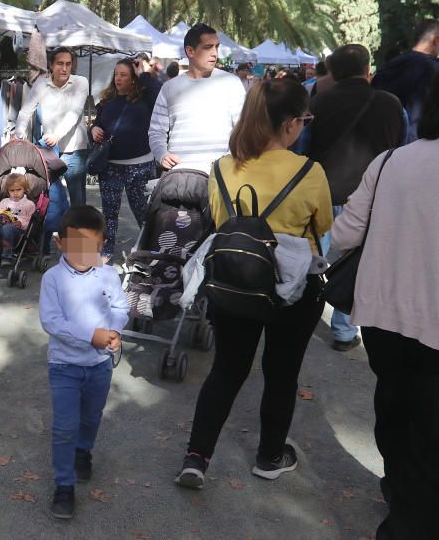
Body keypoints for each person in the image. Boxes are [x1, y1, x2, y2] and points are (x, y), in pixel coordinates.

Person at [176, 79, 333, 490]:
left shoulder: (222, 168)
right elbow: (323, 226)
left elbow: (219, 219)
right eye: (303, 119)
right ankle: (269, 455)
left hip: (236, 277)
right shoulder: (309, 171)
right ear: (288, 125)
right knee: (281, 373)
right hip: (293, 287)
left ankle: (197, 456)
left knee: (227, 369)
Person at [330, 73, 439, 540]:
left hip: (383, 312)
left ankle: (398, 488)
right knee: (428, 430)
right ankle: (408, 520)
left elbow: (345, 235)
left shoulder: (391, 160)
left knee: (394, 403)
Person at [307, 44, 403, 352]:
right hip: (371, 197)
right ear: (368, 70)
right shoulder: (392, 104)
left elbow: (301, 150)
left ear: (332, 72)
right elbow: (404, 149)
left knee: (314, 258)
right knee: (356, 264)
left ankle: (303, 313)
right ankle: (344, 331)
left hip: (322, 192)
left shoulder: (319, 103)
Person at [40, 205, 128, 519]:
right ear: (60, 242)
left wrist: (115, 329)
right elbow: (51, 321)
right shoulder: (53, 279)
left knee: (90, 419)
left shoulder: (107, 273)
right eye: (75, 245)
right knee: (65, 427)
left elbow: (119, 306)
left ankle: (83, 451)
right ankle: (64, 486)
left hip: (99, 365)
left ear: (102, 243)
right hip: (64, 367)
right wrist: (91, 335)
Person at [148, 23, 246, 172]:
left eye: (216, 47)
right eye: (208, 47)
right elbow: (156, 131)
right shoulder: (169, 88)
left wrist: (229, 161)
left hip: (222, 177)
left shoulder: (232, 83)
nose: (214, 53)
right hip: (180, 177)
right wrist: (162, 154)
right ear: (190, 51)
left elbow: (243, 128)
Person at [90, 58, 162, 260]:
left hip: (139, 166)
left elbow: (159, 92)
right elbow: (98, 125)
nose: (118, 78)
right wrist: (93, 129)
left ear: (133, 79)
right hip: (110, 166)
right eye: (116, 74)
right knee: (109, 214)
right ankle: (105, 252)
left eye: (124, 75)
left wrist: (145, 75)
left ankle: (150, 251)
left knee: (143, 213)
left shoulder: (146, 98)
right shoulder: (106, 101)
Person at [14, 47, 90, 207]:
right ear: (51, 65)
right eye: (60, 64)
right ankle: (51, 231)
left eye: (68, 64)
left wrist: (56, 134)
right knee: (49, 200)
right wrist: (18, 133)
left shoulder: (81, 82)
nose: (64, 68)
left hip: (75, 150)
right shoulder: (41, 83)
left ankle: (78, 232)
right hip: (50, 152)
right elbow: (26, 110)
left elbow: (74, 113)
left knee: (78, 202)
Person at [371, 18, 439, 140]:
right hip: (418, 144)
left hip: (382, 143)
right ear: (436, 40)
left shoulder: (390, 65)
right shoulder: (433, 69)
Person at [0, 172, 36, 265]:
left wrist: (21, 224)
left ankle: (6, 256)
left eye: (19, 190)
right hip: (1, 225)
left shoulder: (29, 204)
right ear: (8, 191)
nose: (15, 193)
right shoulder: (4, 202)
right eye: (12, 190)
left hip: (17, 230)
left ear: (24, 189)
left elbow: (30, 221)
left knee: (7, 228)